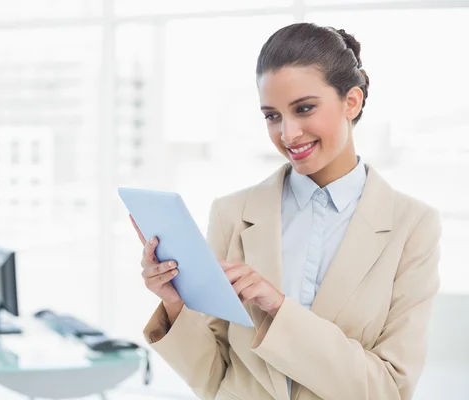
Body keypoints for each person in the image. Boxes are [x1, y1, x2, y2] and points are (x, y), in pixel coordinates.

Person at [129, 22, 441, 400]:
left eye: (304, 108)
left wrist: (278, 308)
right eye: (272, 116)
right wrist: (175, 303)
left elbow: (389, 389)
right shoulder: (232, 213)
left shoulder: (413, 227)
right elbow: (212, 378)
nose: (288, 134)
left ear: (352, 102)